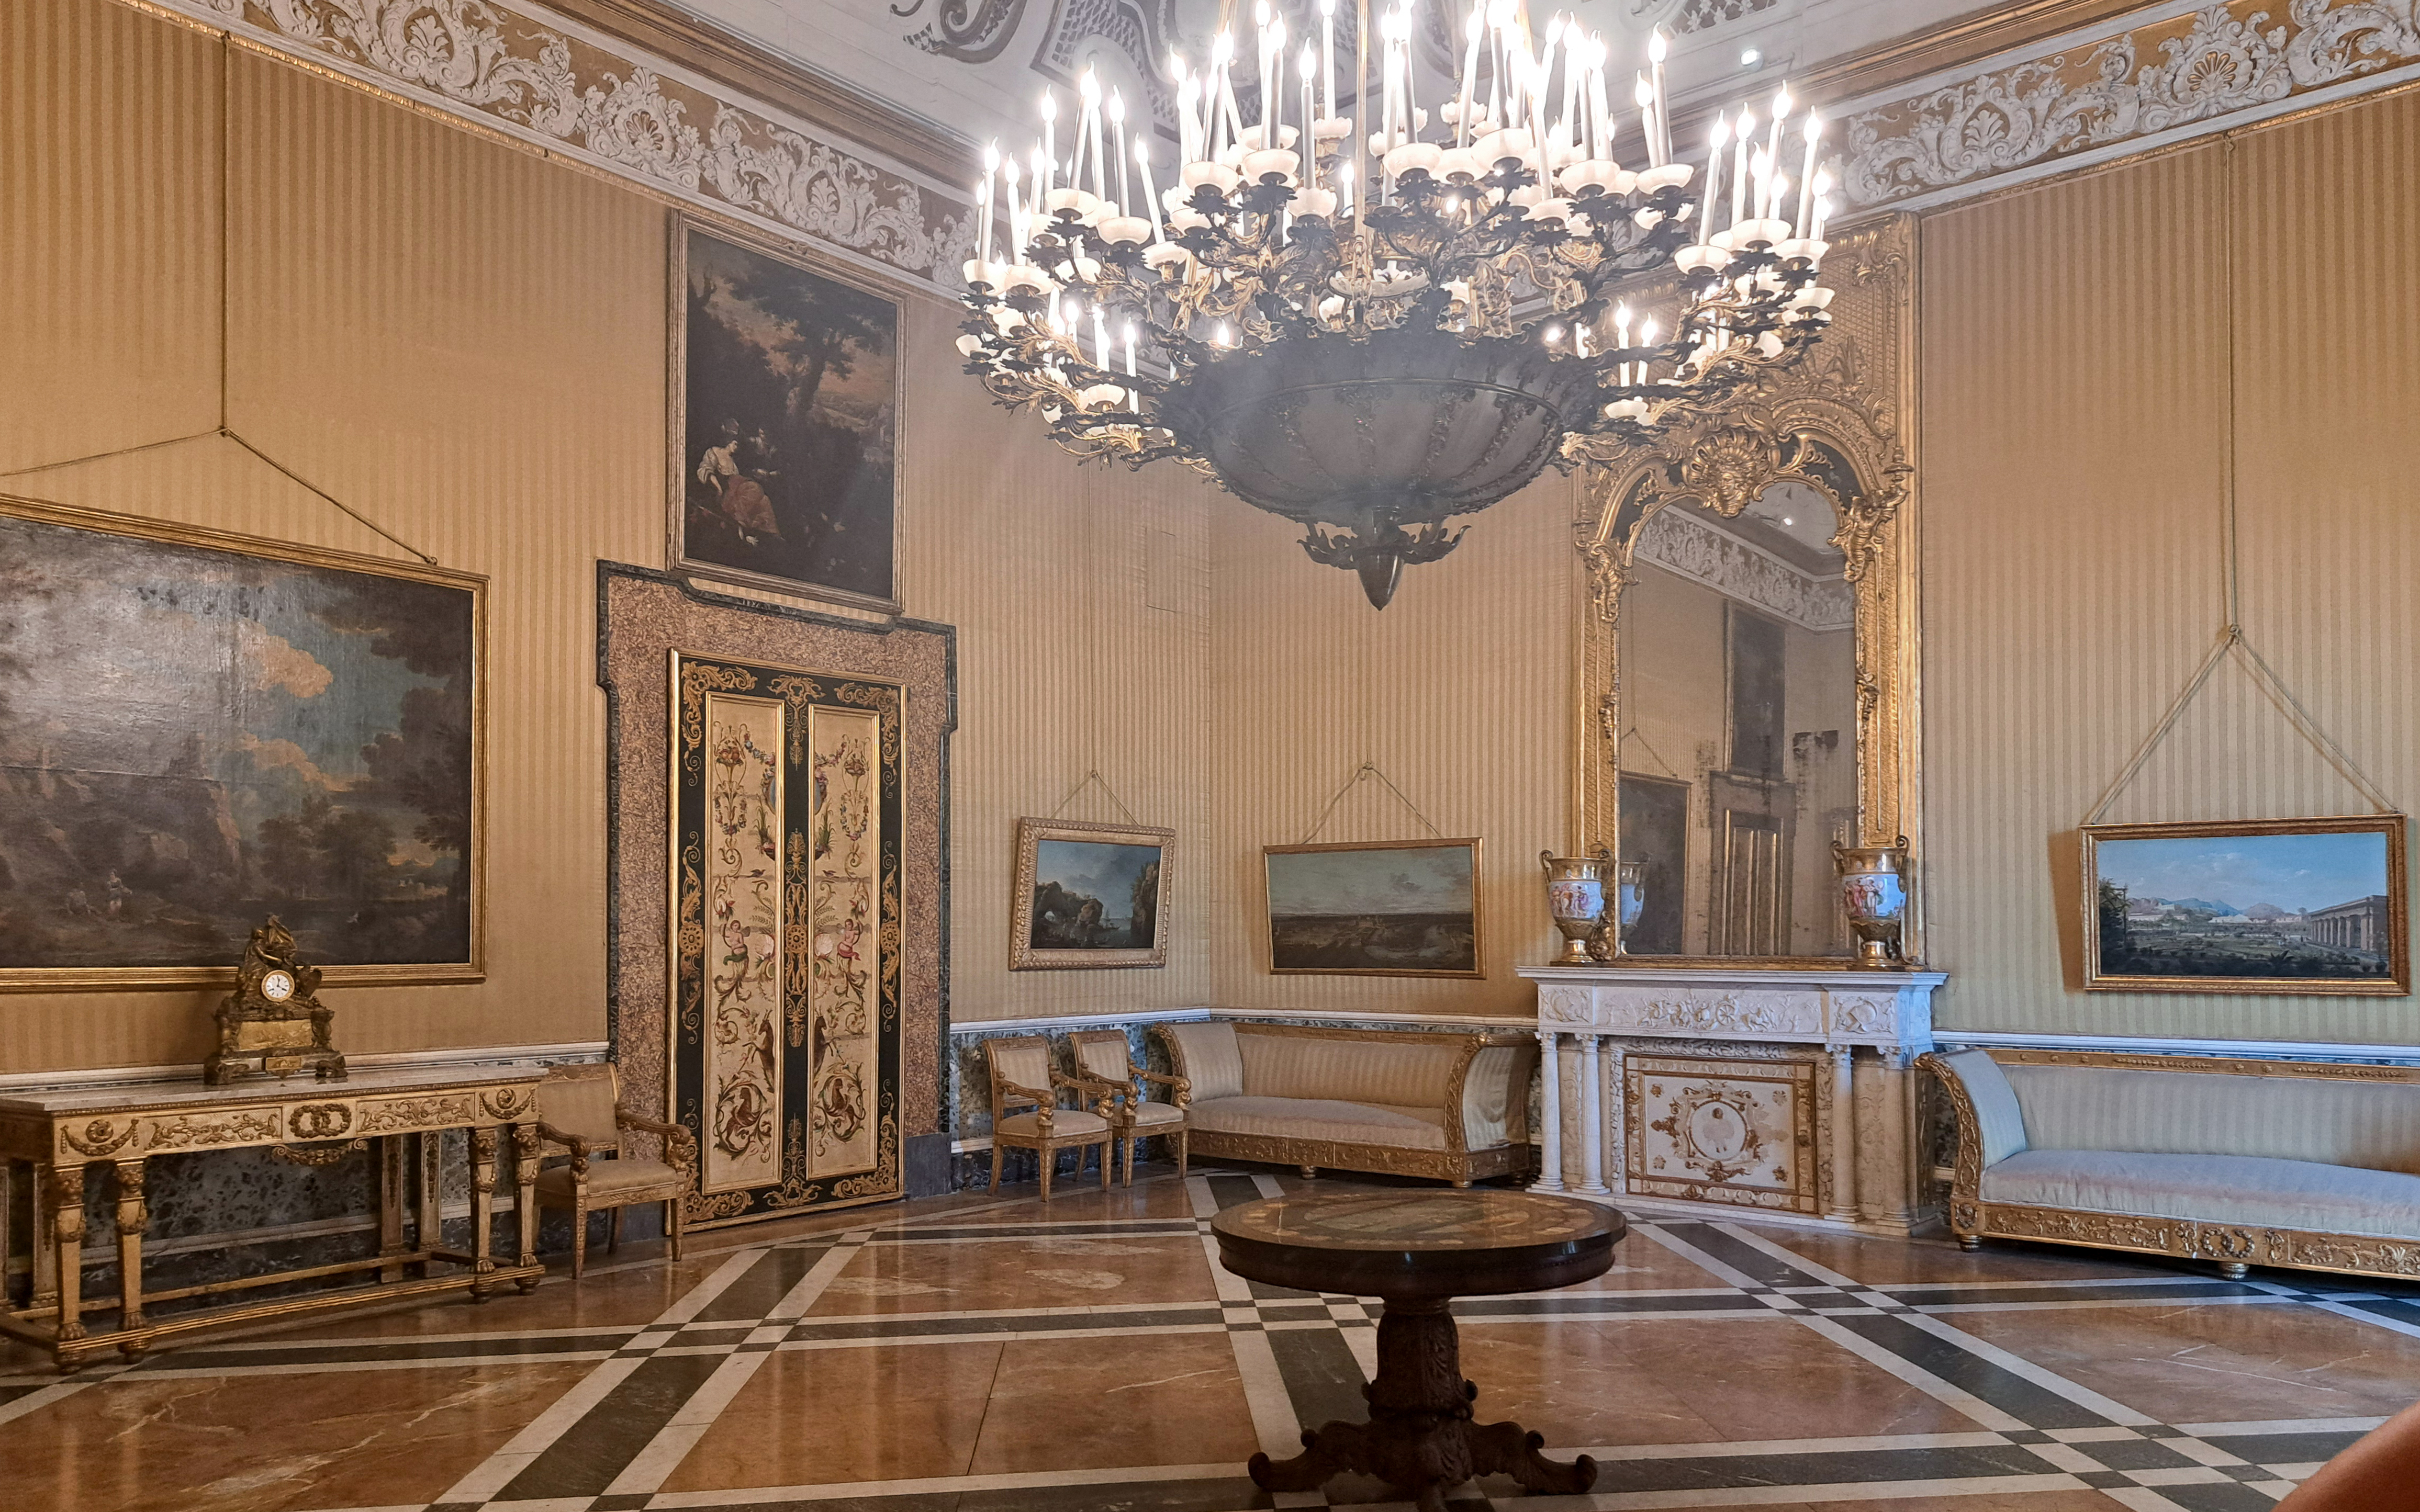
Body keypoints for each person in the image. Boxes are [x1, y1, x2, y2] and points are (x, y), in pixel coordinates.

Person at [695, 420, 782, 545]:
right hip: (728, 492)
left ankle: (773, 533)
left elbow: (739, 478)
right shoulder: (714, 452)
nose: (736, 448)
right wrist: (718, 488)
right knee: (755, 488)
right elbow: (705, 470)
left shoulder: (733, 462)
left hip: (738, 489)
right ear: (728, 442)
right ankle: (740, 520)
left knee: (765, 500)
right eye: (735, 444)